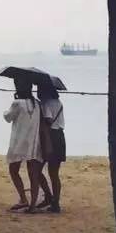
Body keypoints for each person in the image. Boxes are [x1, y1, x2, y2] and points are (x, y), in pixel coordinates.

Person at [3, 77, 49, 212]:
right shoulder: (38, 104)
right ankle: (33, 205)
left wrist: (6, 110)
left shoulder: (17, 103)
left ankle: (23, 198)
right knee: (33, 174)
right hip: (34, 143)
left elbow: (8, 117)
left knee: (13, 170)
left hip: (19, 142)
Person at [38, 85, 66, 213]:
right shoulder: (58, 102)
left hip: (50, 137)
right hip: (60, 136)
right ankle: (55, 202)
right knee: (54, 173)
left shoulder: (46, 103)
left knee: (37, 170)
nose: (38, 92)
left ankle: (48, 195)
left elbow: (48, 120)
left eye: (39, 89)